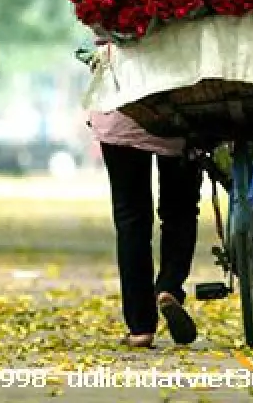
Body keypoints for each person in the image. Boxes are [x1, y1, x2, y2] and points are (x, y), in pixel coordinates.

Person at [89, 109, 203, 348]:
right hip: (182, 117)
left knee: (131, 218)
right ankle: (169, 286)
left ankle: (140, 327)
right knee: (180, 210)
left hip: (121, 118)